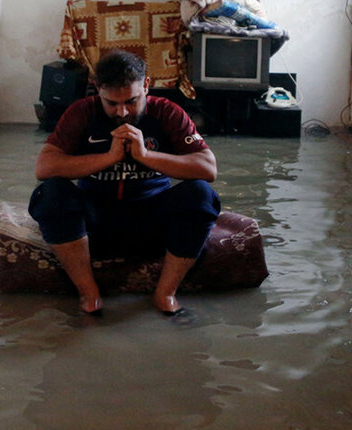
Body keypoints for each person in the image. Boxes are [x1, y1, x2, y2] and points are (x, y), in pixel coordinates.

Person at [29, 50, 220, 316]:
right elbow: (45, 167)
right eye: (111, 103)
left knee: (202, 194)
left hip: (152, 218)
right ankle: (88, 291)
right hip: (96, 222)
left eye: (131, 101)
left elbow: (208, 167)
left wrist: (145, 155)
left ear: (146, 85)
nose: (122, 112)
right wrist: (109, 157)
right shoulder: (81, 113)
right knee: (49, 194)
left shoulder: (167, 113)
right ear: (97, 90)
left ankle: (165, 293)